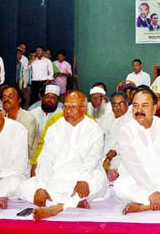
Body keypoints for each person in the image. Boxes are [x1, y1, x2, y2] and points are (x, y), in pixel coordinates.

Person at [16, 91, 107, 220]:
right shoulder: (55, 128)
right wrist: (42, 187)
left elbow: (93, 158)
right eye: (66, 106)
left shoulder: (94, 129)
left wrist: (83, 179)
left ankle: (57, 207)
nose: (68, 111)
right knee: (22, 187)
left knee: (98, 179)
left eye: (73, 107)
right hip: (57, 177)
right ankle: (73, 202)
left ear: (84, 109)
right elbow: (46, 159)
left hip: (82, 177)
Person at [98, 91, 133, 180]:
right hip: (104, 154)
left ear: (127, 103)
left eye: (121, 104)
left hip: (122, 155)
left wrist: (111, 155)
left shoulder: (132, 118)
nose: (118, 107)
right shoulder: (108, 117)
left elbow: (127, 140)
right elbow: (98, 133)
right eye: (114, 104)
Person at [2, 86, 38, 161]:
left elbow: (26, 147)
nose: (6, 99)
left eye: (10, 96)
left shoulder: (28, 118)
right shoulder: (3, 117)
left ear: (19, 100)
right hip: (6, 158)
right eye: (4, 96)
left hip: (26, 160)